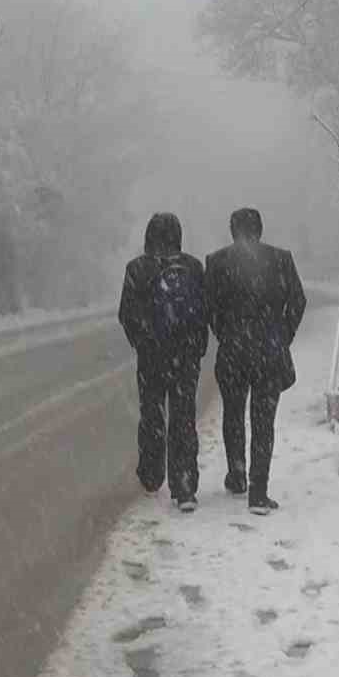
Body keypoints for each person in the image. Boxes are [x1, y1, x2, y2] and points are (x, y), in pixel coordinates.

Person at [205, 208, 307, 515]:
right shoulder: (281, 259)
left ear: (233, 230)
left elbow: (209, 307)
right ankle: (258, 492)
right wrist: (281, 335)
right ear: (260, 229)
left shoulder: (217, 262)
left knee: (233, 415)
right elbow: (298, 301)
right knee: (264, 422)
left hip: (233, 351)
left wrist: (225, 332)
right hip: (269, 352)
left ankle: (237, 476)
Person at [118, 212, 209, 512]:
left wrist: (142, 342)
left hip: (152, 358)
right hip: (185, 357)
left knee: (152, 415)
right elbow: (205, 310)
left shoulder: (137, 269)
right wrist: (196, 348)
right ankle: (184, 487)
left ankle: (152, 476)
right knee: (184, 417)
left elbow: (126, 314)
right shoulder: (193, 267)